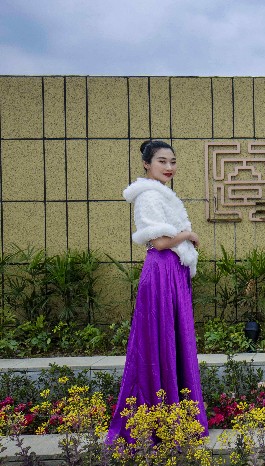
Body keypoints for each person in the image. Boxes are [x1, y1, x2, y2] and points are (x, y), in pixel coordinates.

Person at [106, 140, 208, 444]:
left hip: (171, 272)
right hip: (162, 271)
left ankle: (172, 416)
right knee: (159, 340)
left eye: (172, 161)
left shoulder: (161, 194)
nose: (169, 167)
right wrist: (188, 234)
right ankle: (157, 420)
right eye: (162, 161)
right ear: (146, 164)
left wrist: (184, 241)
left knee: (171, 339)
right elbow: (160, 242)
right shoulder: (149, 195)